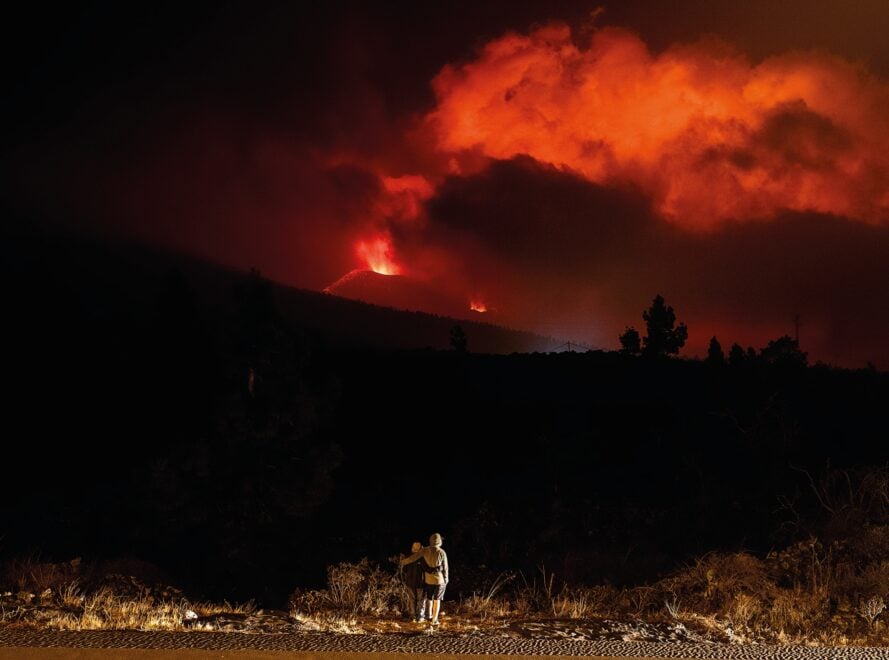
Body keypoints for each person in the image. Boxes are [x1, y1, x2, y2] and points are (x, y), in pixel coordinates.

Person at [401, 532, 448, 625]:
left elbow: (411, 560)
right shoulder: (442, 552)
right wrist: (446, 578)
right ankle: (433, 619)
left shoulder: (425, 551)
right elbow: (445, 567)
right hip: (437, 580)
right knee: (435, 600)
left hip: (426, 580)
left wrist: (402, 562)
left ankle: (422, 615)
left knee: (427, 599)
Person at [401, 541, 426, 622]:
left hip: (410, 582)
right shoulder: (423, 558)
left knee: (412, 599)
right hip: (420, 583)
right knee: (420, 600)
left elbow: (404, 570)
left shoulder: (408, 558)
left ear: (412, 548)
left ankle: (413, 616)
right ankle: (420, 616)